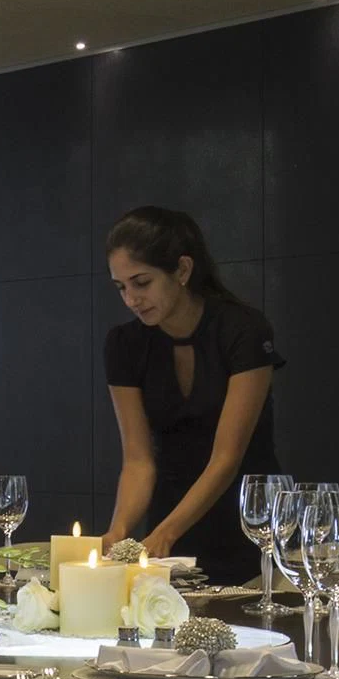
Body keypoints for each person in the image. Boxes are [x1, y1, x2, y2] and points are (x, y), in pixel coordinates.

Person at [99, 205, 283, 586]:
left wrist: (166, 534)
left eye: (141, 282)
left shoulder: (242, 330)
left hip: (248, 524)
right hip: (168, 522)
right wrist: (118, 532)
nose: (131, 299)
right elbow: (138, 461)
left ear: (182, 270)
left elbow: (226, 458)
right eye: (121, 287)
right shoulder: (124, 344)